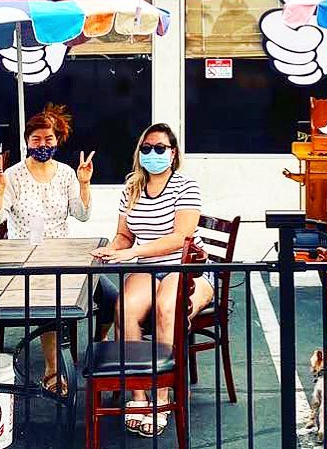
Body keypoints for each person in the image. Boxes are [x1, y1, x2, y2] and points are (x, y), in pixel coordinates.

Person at [92, 122, 213, 438]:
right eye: (146, 148)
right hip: (147, 267)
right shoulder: (131, 188)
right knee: (124, 310)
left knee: (166, 309)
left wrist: (133, 252)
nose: (152, 153)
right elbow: (124, 235)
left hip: (186, 268)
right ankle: (138, 394)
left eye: (160, 148)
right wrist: (112, 249)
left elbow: (181, 236)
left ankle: (162, 395)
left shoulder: (186, 186)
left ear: (173, 154)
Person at [0, 103, 93, 396]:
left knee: (110, 299)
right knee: (51, 301)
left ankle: (94, 360)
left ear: (57, 140)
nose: (42, 145)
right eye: (36, 139)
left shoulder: (67, 173)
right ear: (27, 141)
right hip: (24, 258)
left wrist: (84, 184)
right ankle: (52, 371)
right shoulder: (13, 175)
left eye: (48, 139)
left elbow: (82, 214)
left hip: (63, 255)